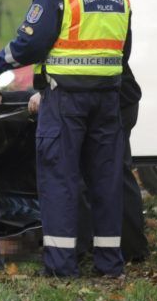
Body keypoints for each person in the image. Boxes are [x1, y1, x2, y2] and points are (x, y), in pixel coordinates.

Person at [0, 0, 132, 278]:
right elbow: (124, 51)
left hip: (66, 101)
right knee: (106, 179)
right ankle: (110, 263)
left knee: (60, 179)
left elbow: (29, 44)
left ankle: (62, 266)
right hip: (108, 101)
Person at [28, 64, 148, 266]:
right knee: (115, 174)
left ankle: (80, 249)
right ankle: (127, 248)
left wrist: (47, 90)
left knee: (93, 175)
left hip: (101, 98)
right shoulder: (112, 30)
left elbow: (41, 45)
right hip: (116, 96)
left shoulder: (74, 31)